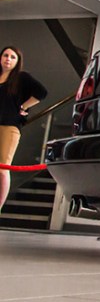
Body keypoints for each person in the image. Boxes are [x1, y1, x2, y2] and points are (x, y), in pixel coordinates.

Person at [0, 46, 47, 213]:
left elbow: (42, 92)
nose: (8, 59)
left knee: (3, 169)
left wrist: (24, 106)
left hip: (9, 126)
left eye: (13, 57)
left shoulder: (21, 77)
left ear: (17, 61)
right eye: (5, 55)